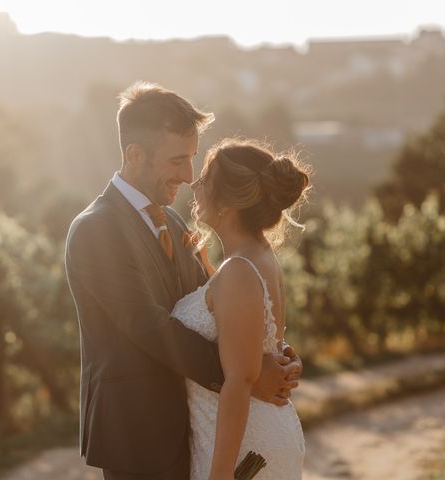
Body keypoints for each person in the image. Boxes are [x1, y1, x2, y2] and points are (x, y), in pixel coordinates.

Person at [65, 82, 302, 480]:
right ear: (135, 155)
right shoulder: (95, 230)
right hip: (138, 435)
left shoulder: (173, 222)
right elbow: (148, 325)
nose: (189, 176)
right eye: (178, 161)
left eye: (192, 159)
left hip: (194, 427)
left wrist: (274, 353)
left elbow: (218, 308)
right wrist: (246, 373)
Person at [175, 137, 309, 479]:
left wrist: (219, 476)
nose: (194, 184)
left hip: (242, 449)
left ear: (227, 204)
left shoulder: (238, 271)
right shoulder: (255, 259)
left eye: (205, 178)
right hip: (260, 433)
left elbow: (238, 384)